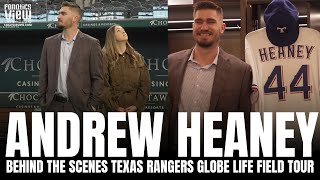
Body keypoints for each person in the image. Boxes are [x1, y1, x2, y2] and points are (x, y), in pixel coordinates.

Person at [165, 1, 252, 156]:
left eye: (211, 22)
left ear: (222, 27)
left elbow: (244, 125)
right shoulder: (171, 63)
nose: (203, 27)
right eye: (198, 21)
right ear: (193, 26)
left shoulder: (241, 71)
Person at [38, 1, 103, 117]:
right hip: (53, 107)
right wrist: (44, 102)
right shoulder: (49, 43)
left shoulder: (92, 43)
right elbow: (43, 75)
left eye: (63, 14)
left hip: (80, 108)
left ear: (75, 18)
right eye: (59, 13)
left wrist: (92, 105)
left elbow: (97, 78)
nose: (58, 17)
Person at [100, 24, 150, 114]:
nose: (123, 31)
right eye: (118, 30)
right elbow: (102, 84)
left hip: (135, 110)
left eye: (123, 30)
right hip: (112, 110)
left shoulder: (137, 57)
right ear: (111, 37)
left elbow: (145, 84)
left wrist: (136, 105)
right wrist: (115, 107)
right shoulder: (104, 56)